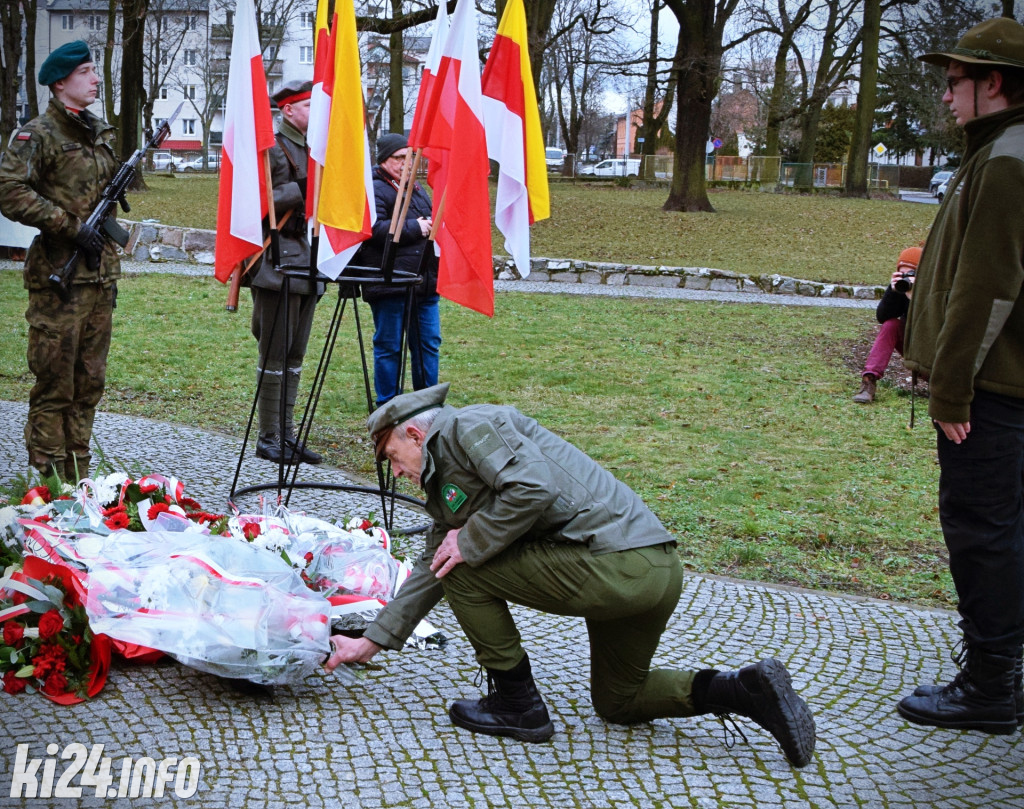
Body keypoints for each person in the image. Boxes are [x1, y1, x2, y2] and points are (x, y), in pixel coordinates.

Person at [325, 383, 816, 767]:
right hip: (654, 571)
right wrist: (372, 639)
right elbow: (435, 561)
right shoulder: (448, 472)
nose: (394, 472)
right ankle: (746, 689)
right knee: (620, 702)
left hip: (617, 564)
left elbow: (532, 486)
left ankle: (518, 704)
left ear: (415, 434)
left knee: (467, 572)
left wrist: (471, 542)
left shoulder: (468, 428)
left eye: (391, 456)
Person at [896, 17, 1024, 736]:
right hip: (1004, 387)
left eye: (955, 83)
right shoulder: (999, 152)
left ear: (993, 83)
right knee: (1005, 530)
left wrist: (951, 388)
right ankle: (1003, 673)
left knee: (983, 533)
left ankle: (988, 686)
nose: (946, 97)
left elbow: (987, 287)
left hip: (991, 394)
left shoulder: (1008, 158)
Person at [0, 41, 119, 482]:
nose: (96, 79)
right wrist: (69, 226)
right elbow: (9, 191)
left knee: (89, 385)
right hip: (58, 281)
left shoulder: (97, 132)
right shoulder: (38, 135)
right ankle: (46, 486)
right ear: (60, 82)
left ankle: (80, 480)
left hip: (99, 277)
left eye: (95, 71)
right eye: (87, 72)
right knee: (55, 386)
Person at [249, 80, 323, 465]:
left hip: (308, 259)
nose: (315, 111)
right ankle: (268, 436)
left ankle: (287, 434)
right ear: (288, 110)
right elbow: (258, 201)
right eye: (308, 105)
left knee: (295, 354)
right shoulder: (273, 148)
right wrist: (303, 188)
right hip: (277, 260)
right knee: (274, 352)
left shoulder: (317, 149)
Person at [354, 133, 441, 407]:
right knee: (389, 346)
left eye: (410, 156)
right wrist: (415, 227)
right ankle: (388, 406)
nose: (406, 163)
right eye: (399, 157)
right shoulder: (374, 187)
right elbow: (371, 229)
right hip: (389, 281)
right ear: (384, 160)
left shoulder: (416, 188)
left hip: (422, 282)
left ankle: (426, 405)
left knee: (428, 344)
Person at [852, 246, 921, 404]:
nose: (906, 278)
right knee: (891, 324)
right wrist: (893, 290)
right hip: (912, 348)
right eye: (902, 274)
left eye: (911, 273)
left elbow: (930, 327)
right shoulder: (901, 289)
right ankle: (868, 381)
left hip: (935, 359)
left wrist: (916, 295)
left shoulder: (935, 291)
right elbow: (882, 317)